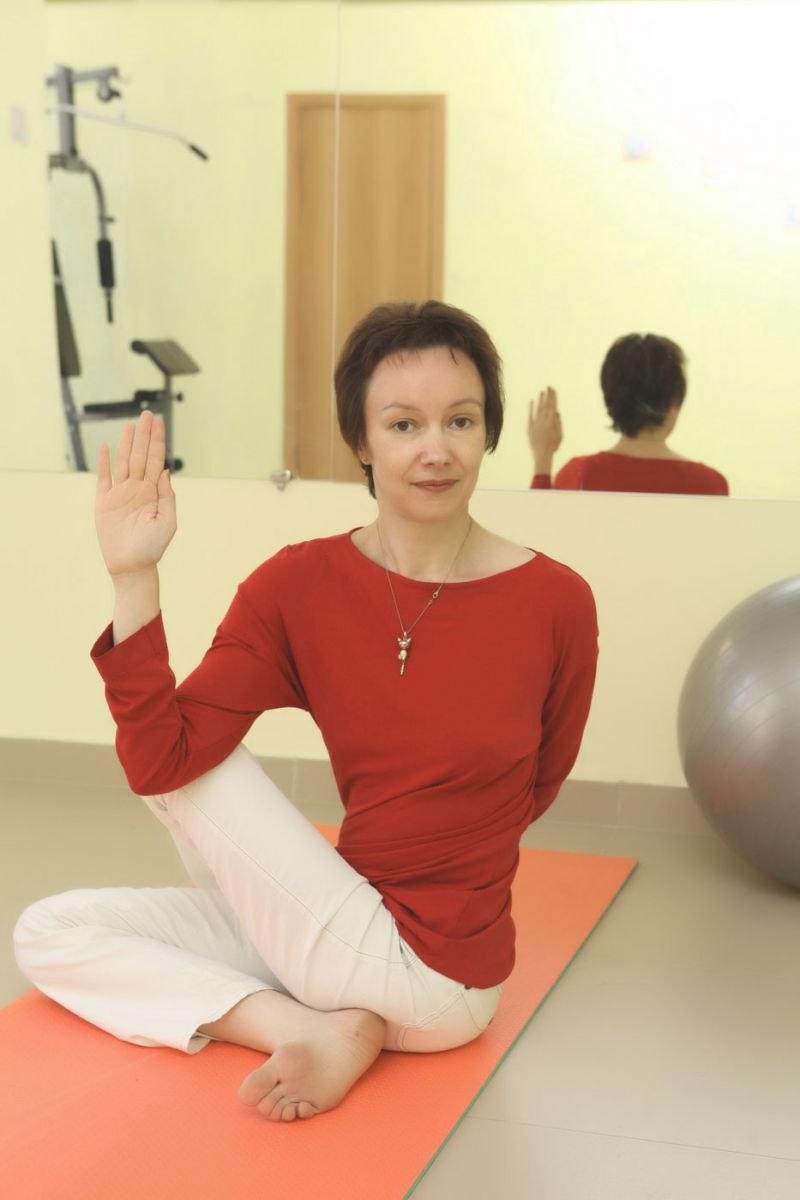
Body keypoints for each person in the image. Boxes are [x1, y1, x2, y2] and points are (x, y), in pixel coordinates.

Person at [14, 301, 598, 1124]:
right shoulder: (299, 586)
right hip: (334, 923)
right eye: (403, 424)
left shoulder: (556, 602)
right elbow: (159, 764)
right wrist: (133, 576)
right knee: (50, 931)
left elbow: (539, 784)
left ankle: (339, 1010)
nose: (435, 450)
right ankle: (305, 1025)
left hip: (441, 978)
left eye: (460, 421)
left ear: (488, 430)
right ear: (361, 440)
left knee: (197, 769)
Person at [529, 333, 729, 495]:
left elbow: (539, 528)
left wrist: (542, 460)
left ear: (610, 398)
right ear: (674, 402)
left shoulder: (579, 474)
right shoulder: (710, 485)